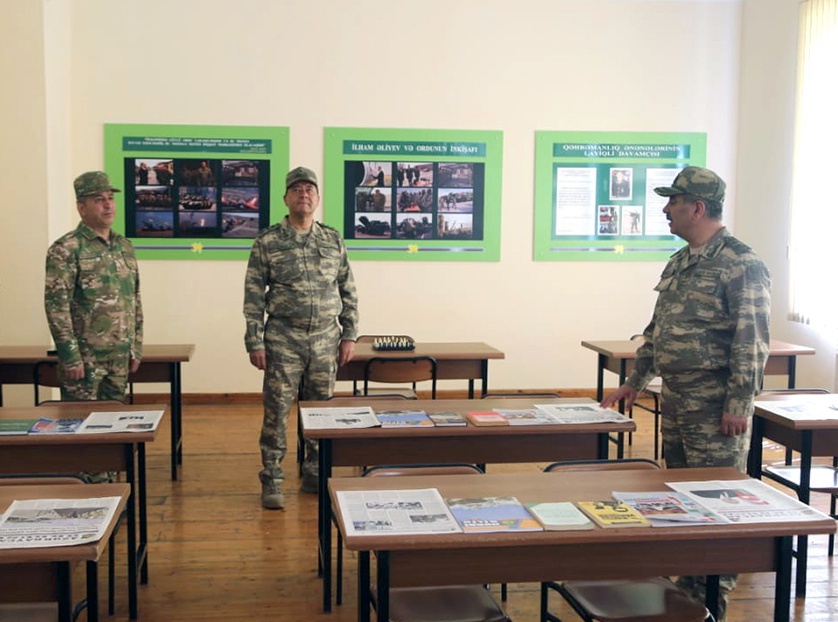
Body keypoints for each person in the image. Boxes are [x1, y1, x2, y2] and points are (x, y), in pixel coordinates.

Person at [600, 166, 771, 620]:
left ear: (697, 207)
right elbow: (659, 331)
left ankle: (711, 601)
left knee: (718, 503)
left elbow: (751, 341)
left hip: (715, 408)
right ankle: (689, 591)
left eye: (673, 202)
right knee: (681, 499)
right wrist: (634, 383)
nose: (665, 210)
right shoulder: (680, 261)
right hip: (676, 402)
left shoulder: (741, 262)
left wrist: (739, 404)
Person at [243, 166, 359, 510]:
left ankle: (313, 470)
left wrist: (349, 334)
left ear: (317, 198)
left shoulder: (333, 240)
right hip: (283, 339)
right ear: (286, 198)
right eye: (297, 190)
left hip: (326, 340)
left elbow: (348, 289)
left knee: (320, 411)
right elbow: (252, 296)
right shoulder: (268, 241)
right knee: (277, 411)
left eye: (309, 190)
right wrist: (255, 341)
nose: (303, 195)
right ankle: (273, 478)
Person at [44, 171, 143, 402]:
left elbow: (134, 300)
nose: (108, 205)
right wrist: (70, 356)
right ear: (81, 208)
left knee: (115, 430)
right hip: (85, 361)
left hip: (119, 360)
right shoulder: (66, 249)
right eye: (99, 200)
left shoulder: (124, 247)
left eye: (110, 198)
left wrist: (136, 347)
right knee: (81, 429)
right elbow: (56, 307)